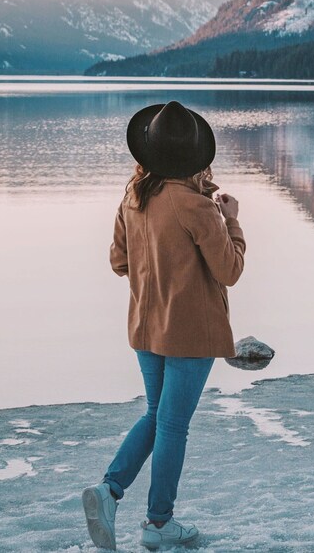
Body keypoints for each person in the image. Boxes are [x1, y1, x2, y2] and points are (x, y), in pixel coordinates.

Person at [82, 101, 245, 550]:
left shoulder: (133, 198)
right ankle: (158, 523)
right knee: (173, 425)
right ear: (195, 157)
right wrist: (231, 221)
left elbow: (119, 262)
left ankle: (110, 492)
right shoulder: (197, 207)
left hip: (145, 328)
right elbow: (229, 270)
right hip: (190, 333)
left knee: (157, 415)